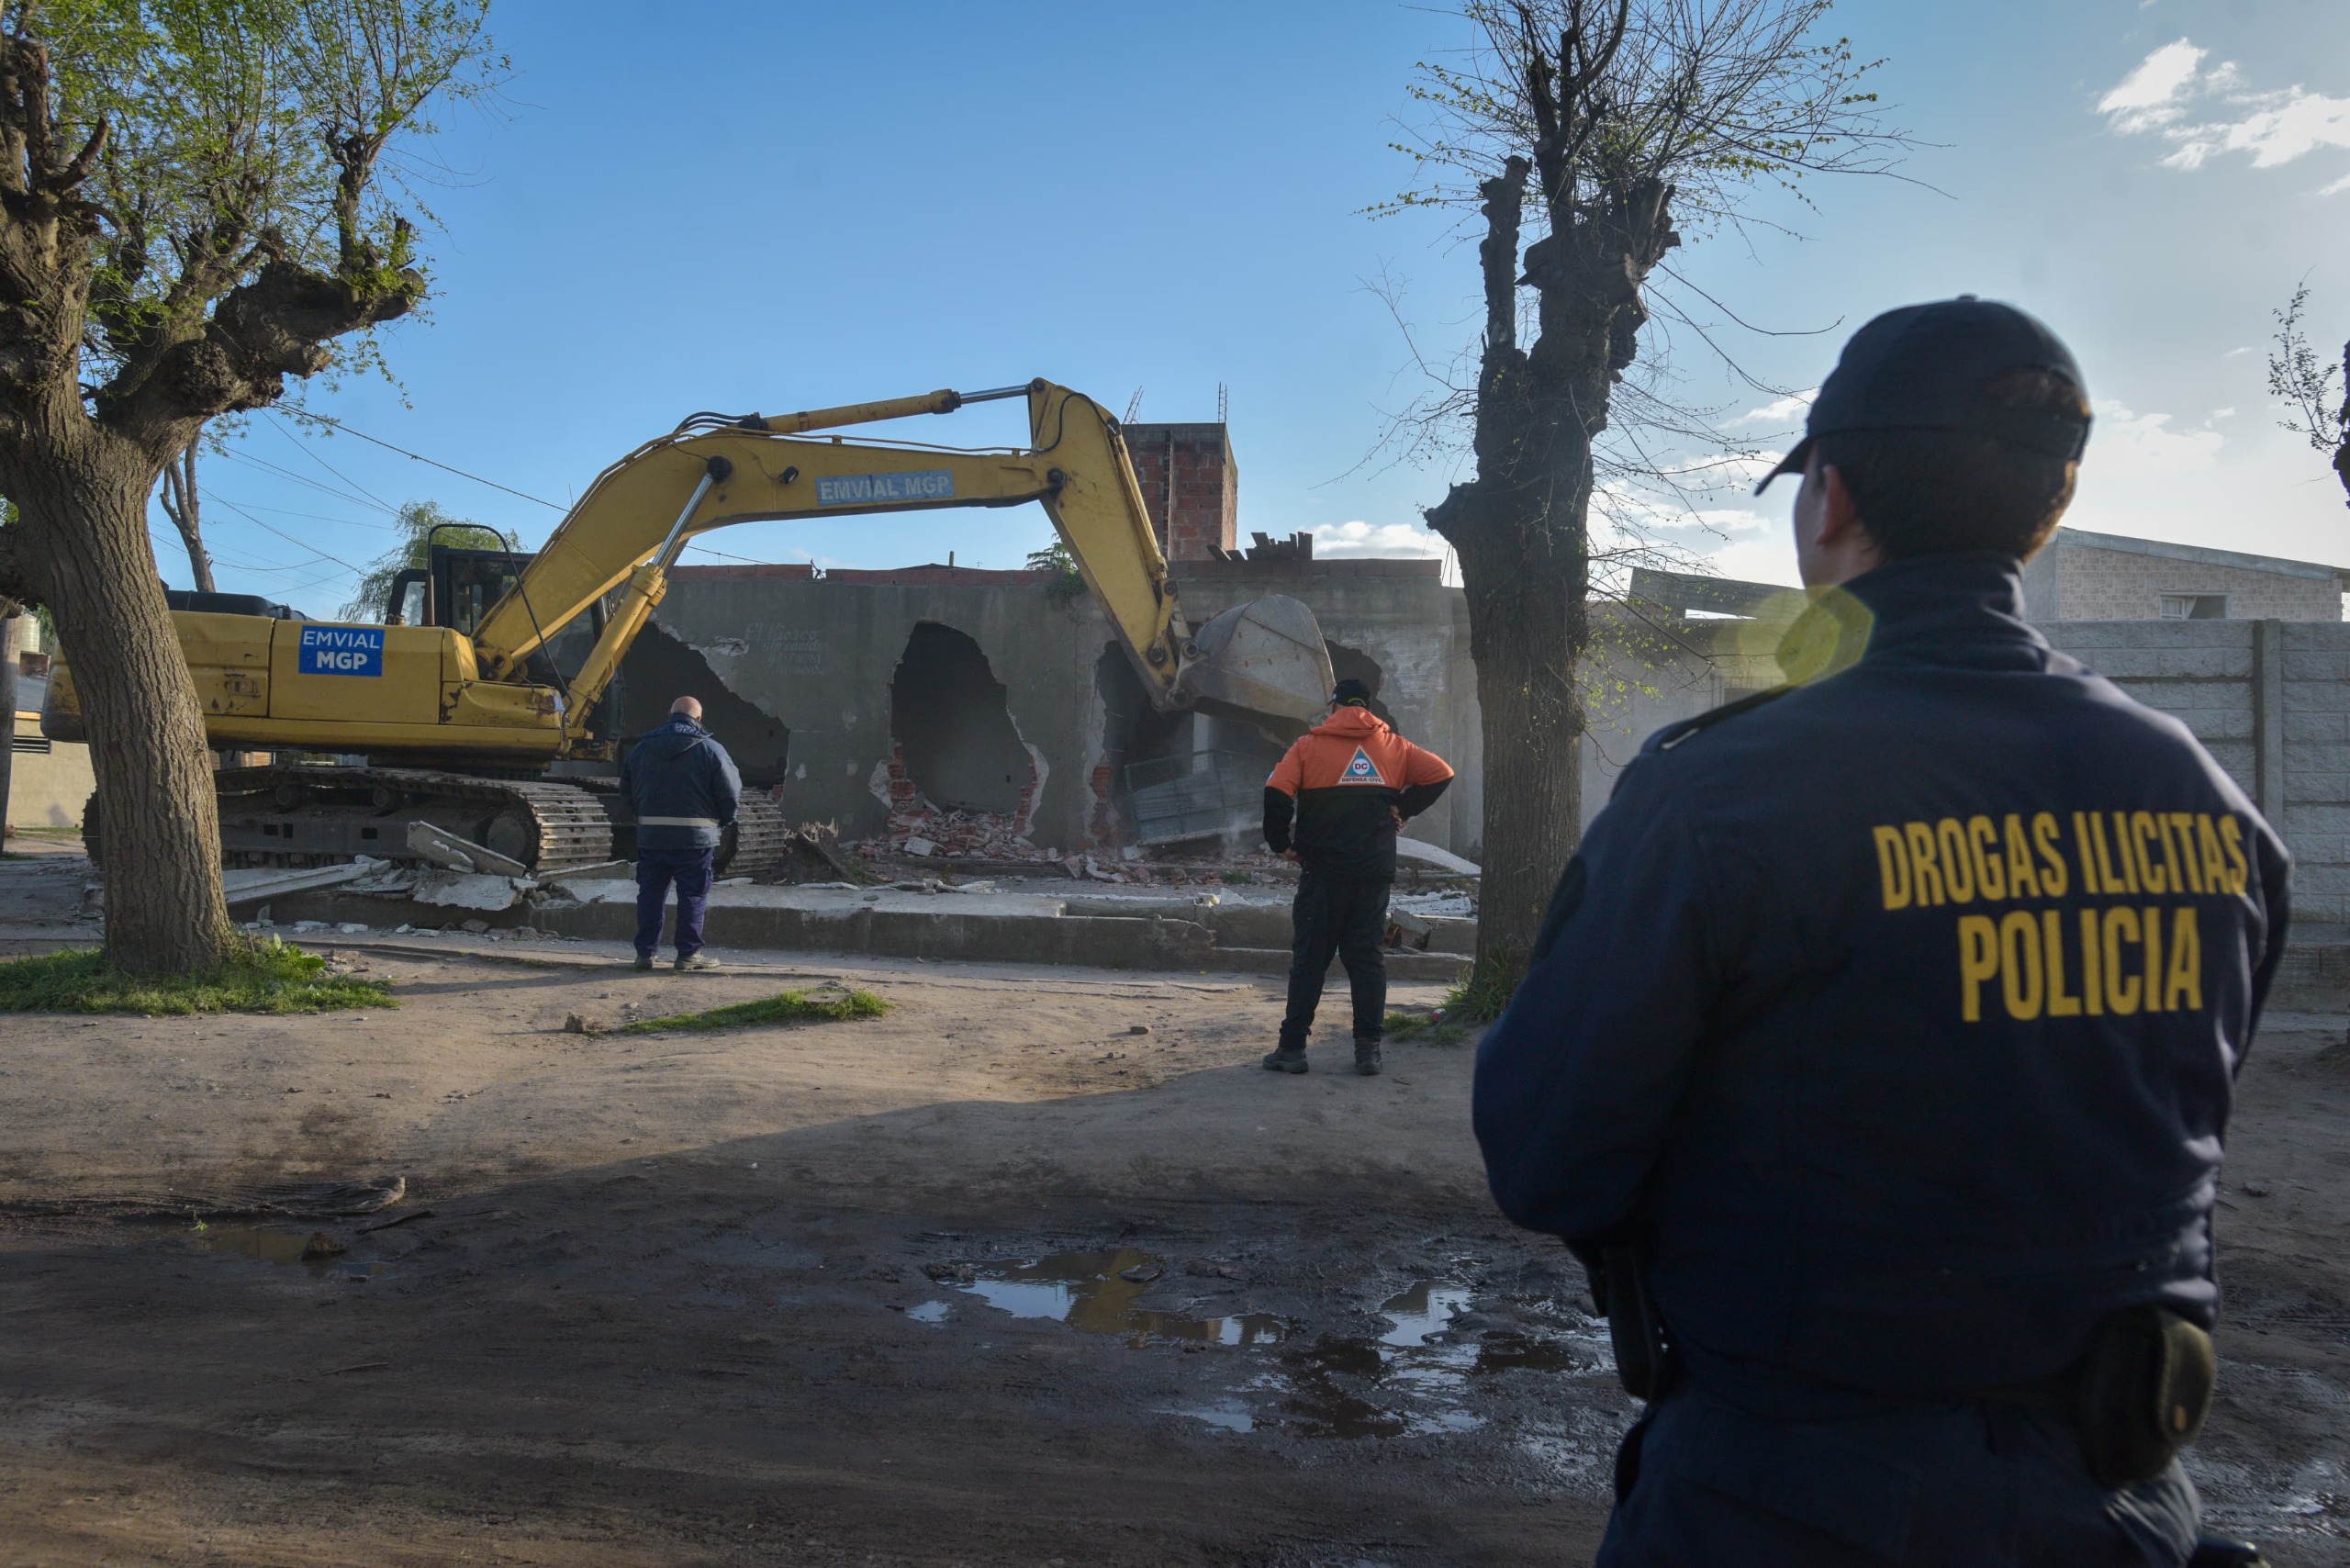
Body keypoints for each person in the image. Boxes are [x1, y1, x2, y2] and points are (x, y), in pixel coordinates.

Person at [1473, 298, 2288, 1567]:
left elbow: (1545, 1158)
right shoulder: (2209, 804)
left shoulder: (1716, 798)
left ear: (1832, 499)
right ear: (2048, 509)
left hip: (1786, 1502)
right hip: (2122, 1505)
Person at [1260, 678, 1455, 1077]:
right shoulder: (1394, 746)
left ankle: (1292, 1049)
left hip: (1323, 873)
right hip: (1373, 873)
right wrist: (1405, 806)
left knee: (1311, 960)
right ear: (1369, 708)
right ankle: (1369, 1052)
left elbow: (1276, 791)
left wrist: (1280, 843)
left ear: (1333, 708)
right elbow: (1442, 773)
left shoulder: (1307, 746)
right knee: (1367, 961)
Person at [619, 695, 742, 973]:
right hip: (695, 840)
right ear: (698, 718)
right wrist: (722, 823)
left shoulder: (641, 749)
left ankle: (645, 955)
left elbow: (625, 791)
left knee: (650, 895)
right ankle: (688, 955)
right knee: (693, 896)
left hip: (652, 838)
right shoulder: (711, 749)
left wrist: (644, 819)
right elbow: (730, 794)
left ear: (670, 713)